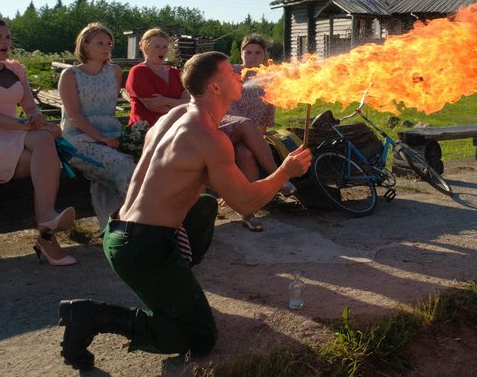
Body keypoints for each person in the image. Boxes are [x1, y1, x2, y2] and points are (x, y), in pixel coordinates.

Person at [57, 51, 312, 370]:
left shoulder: (173, 117)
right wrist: (284, 172)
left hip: (121, 231)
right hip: (142, 249)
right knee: (199, 337)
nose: (240, 76)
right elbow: (246, 203)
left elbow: (182, 177)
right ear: (215, 88)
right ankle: (90, 316)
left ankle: (178, 278)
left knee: (204, 205)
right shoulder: (208, 137)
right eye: (230, 74)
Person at [0, 17, 76, 266]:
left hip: (14, 137)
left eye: (8, 37)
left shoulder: (16, 70)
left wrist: (40, 121)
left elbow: (30, 107)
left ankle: (46, 224)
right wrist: (27, 125)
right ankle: (47, 234)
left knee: (44, 144)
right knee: (46, 162)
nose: (5, 42)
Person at [58, 23, 136, 228]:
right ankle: (136, 223)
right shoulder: (70, 75)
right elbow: (74, 115)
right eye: (99, 42)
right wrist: (99, 137)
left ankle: (160, 216)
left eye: (109, 43)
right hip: (79, 138)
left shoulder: (115, 71)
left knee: (149, 161)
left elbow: (119, 96)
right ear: (85, 45)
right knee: (124, 166)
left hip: (113, 133)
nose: (106, 47)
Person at [219, 34, 295, 232]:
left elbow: (266, 117)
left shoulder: (269, 80)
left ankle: (248, 213)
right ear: (241, 53)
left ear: (264, 55)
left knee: (246, 153)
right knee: (246, 125)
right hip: (225, 128)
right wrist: (247, 125)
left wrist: (256, 134)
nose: (252, 57)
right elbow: (226, 104)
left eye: (257, 53)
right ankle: (278, 177)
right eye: (248, 52)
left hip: (249, 136)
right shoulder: (232, 72)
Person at [125, 28, 188, 127]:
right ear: (145, 49)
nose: (162, 50)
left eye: (165, 46)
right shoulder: (138, 72)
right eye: (157, 46)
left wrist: (166, 100)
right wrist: (180, 105)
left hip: (175, 126)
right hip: (146, 127)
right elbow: (154, 107)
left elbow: (189, 101)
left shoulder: (175, 73)